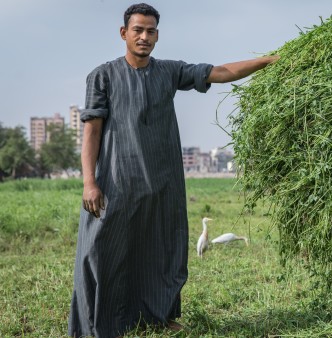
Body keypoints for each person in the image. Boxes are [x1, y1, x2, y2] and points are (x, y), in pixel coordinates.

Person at [68, 3, 279, 337]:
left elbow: (221, 72)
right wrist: (89, 182)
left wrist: (268, 61)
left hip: (163, 182)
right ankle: (103, 322)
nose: (144, 36)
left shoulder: (169, 71)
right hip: (116, 181)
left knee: (162, 251)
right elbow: (91, 131)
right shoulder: (102, 76)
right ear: (124, 33)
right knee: (102, 250)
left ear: (157, 36)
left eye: (150, 31)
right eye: (137, 30)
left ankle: (157, 316)